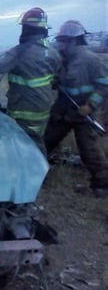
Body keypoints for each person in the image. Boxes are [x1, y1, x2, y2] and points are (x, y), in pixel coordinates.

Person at [0, 7, 61, 155]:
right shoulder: (51, 52)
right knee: (36, 139)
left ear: (27, 29)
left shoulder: (21, 51)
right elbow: (56, 76)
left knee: (27, 146)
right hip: (43, 109)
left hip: (24, 111)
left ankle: (36, 174)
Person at [43, 20, 108, 198]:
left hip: (83, 113)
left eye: (64, 41)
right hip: (63, 110)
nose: (61, 45)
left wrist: (90, 105)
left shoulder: (92, 60)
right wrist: (55, 82)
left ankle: (102, 185)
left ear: (75, 41)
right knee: (45, 142)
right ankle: (37, 175)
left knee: (89, 150)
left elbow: (104, 85)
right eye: (61, 41)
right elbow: (60, 80)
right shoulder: (63, 60)